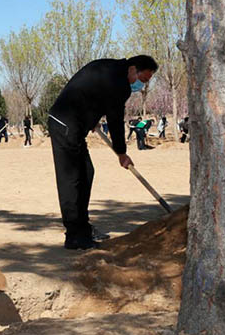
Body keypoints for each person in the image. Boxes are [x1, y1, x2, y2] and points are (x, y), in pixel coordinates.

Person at [47, 55, 158, 250]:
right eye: (143, 80)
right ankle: (74, 236)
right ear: (133, 69)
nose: (141, 85)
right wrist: (122, 153)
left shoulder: (110, 68)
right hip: (65, 123)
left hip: (73, 122)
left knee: (86, 173)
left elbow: (90, 90)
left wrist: (90, 116)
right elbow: (115, 120)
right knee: (72, 179)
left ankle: (83, 228)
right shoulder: (118, 83)